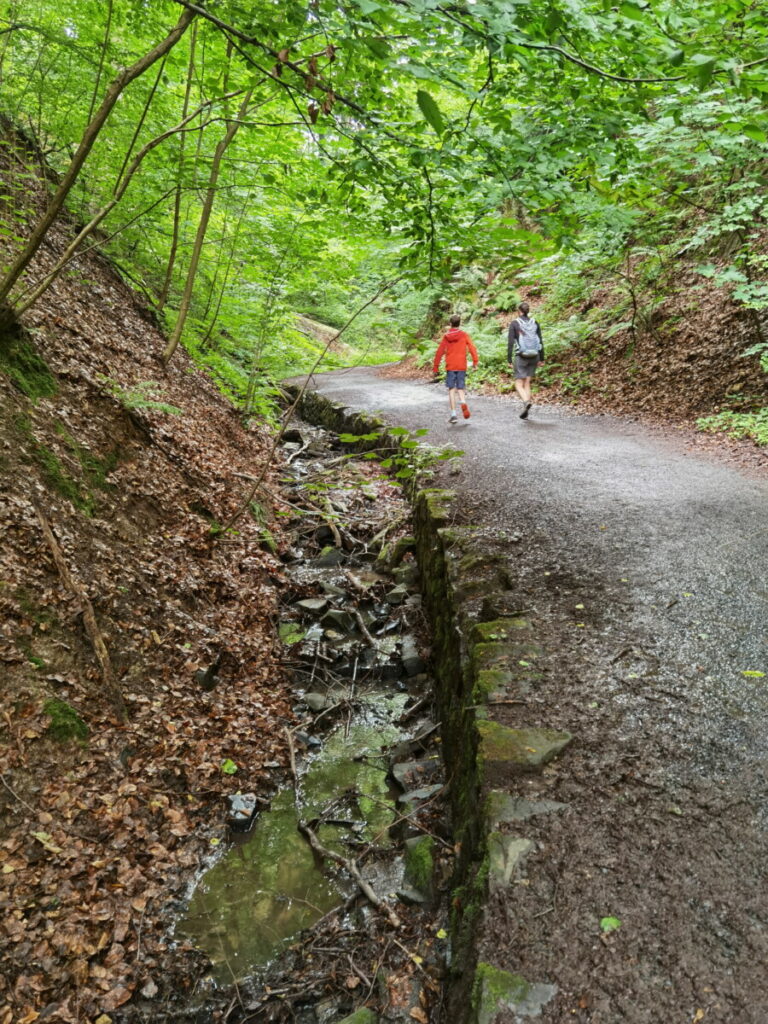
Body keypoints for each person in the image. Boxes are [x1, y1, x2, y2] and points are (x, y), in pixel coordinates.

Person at [433, 314, 479, 423]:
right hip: (461, 365)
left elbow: (440, 351)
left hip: (451, 365)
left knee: (451, 389)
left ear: (450, 324)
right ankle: (463, 402)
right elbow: (472, 348)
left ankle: (453, 415)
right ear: (460, 323)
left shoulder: (446, 336)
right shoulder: (464, 335)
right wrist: (475, 362)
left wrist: (436, 367)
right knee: (460, 388)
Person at [507, 301, 544, 419]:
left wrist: (509, 359)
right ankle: (526, 410)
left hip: (521, 356)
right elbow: (540, 341)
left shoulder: (514, 323)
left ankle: (526, 402)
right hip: (535, 355)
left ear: (519, 311)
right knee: (527, 382)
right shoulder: (535, 323)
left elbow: (511, 342)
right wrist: (542, 357)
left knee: (518, 383)